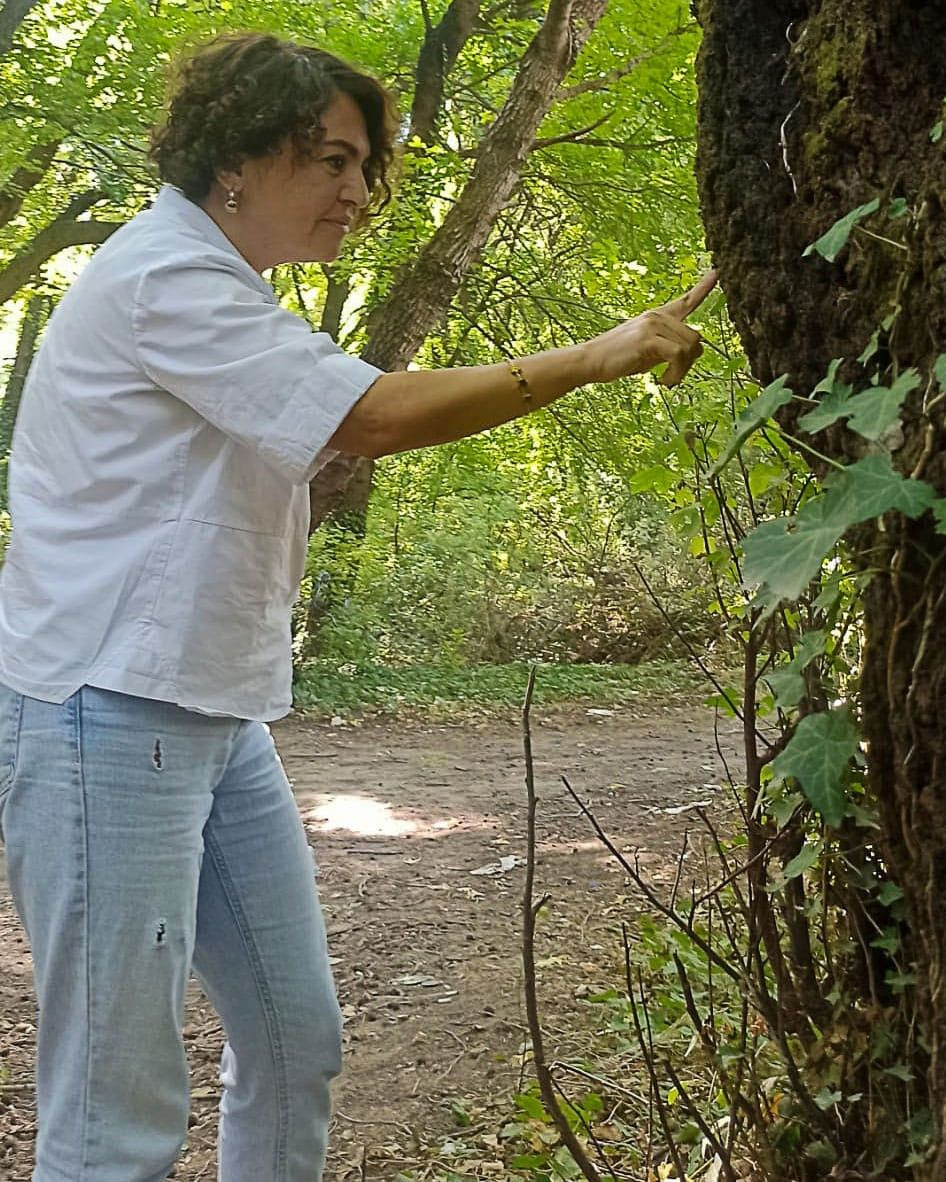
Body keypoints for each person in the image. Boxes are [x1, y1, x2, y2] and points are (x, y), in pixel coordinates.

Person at [0, 30, 714, 1182]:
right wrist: (599, 353)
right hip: (103, 709)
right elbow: (368, 416)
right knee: (115, 1111)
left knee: (296, 1046)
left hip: (213, 713)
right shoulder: (163, 277)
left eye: (363, 165)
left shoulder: (222, 289)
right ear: (233, 157)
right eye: (328, 158)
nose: (356, 189)